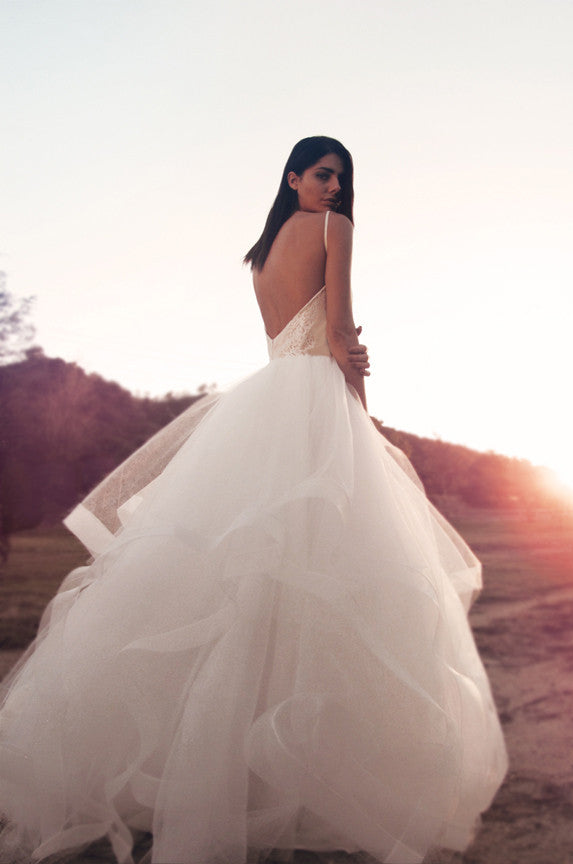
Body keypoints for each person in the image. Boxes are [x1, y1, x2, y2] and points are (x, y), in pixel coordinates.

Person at [0, 136, 507, 864]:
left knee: (236, 586)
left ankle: (213, 775)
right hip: (314, 407)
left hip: (265, 399)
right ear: (294, 176)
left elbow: (297, 332)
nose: (334, 186)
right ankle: (282, 781)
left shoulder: (262, 254)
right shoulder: (336, 229)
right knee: (328, 578)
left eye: (342, 177)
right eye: (323, 173)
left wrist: (342, 357)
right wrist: (363, 417)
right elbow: (336, 335)